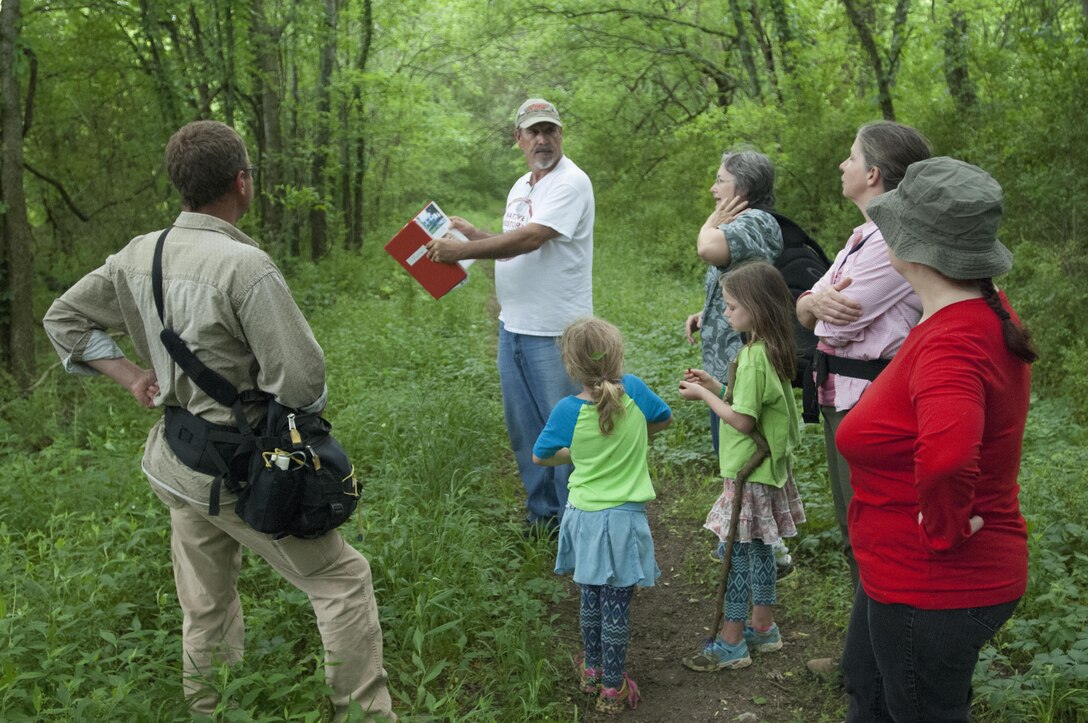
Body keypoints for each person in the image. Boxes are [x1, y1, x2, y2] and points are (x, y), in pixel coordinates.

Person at [42, 120, 395, 721]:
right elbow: (304, 382)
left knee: (205, 602)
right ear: (241, 182)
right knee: (341, 579)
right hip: (240, 469)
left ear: (181, 185)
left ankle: (211, 709)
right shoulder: (244, 267)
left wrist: (131, 375)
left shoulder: (137, 254)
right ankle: (366, 713)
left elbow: (63, 319)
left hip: (177, 459)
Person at [838, 157, 1035, 721]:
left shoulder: (952, 342)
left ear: (914, 247)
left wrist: (945, 531)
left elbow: (948, 460)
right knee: (867, 687)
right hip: (902, 571)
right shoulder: (974, 313)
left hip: (933, 585)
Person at [426, 98, 593, 532]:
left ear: (561, 134)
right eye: (533, 132)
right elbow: (509, 242)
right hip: (514, 327)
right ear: (518, 140)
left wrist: (461, 251)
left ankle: (579, 522)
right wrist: (473, 235)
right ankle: (544, 518)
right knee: (526, 431)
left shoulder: (570, 182)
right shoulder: (522, 185)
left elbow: (531, 240)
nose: (542, 139)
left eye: (549, 130)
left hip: (556, 333)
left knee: (566, 432)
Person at [796, 121, 931, 596]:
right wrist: (812, 302)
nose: (842, 165)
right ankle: (865, 658)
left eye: (850, 157)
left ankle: (879, 662)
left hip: (871, 402)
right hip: (841, 396)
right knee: (854, 528)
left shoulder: (897, 238)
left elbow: (840, 321)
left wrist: (815, 306)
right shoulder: (863, 235)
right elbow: (808, 308)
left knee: (875, 532)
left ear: (873, 173)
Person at [531, 317, 672, 713]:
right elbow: (664, 418)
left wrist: (577, 453)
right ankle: (613, 687)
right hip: (623, 520)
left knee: (589, 597)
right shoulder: (637, 392)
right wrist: (636, 436)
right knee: (616, 604)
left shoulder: (566, 411)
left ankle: (592, 670)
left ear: (571, 368)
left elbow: (540, 455)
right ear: (618, 355)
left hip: (583, 516)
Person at [677, 261, 806, 672]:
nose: (725, 313)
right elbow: (750, 402)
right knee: (761, 551)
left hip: (748, 472)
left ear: (756, 307)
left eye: (731, 306)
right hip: (768, 471)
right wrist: (717, 386)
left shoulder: (752, 357)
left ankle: (732, 641)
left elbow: (742, 420)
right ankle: (763, 627)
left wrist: (704, 396)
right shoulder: (772, 350)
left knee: (735, 555)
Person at [682, 149, 797, 576]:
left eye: (720, 180)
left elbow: (707, 248)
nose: (713, 189)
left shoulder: (757, 222)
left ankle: (763, 549)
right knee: (730, 453)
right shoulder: (742, 225)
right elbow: (737, 283)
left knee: (744, 454)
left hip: (745, 369)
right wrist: (705, 312)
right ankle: (746, 537)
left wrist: (711, 223)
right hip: (727, 365)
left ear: (743, 188)